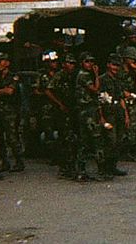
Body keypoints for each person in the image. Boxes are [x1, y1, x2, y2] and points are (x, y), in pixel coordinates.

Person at [45, 54, 79, 179]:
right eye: (68, 63)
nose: (70, 66)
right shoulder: (60, 75)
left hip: (73, 109)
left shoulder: (75, 75)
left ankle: (71, 166)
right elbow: (48, 90)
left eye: (72, 63)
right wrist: (59, 104)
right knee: (65, 139)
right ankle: (65, 167)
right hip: (62, 111)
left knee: (73, 139)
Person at [75, 51, 107, 182]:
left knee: (87, 142)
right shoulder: (84, 75)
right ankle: (98, 170)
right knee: (95, 139)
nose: (90, 64)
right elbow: (95, 89)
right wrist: (97, 75)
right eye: (87, 62)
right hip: (86, 111)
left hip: (89, 110)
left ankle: (83, 171)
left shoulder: (84, 74)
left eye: (91, 61)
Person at [0, 52, 24, 172]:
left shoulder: (13, 76)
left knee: (12, 137)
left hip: (10, 112)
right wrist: (0, 91)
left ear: (7, 63)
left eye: (1, 61)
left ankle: (19, 161)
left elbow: (10, 91)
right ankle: (4, 162)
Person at [99, 54, 129, 179]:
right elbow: (99, 100)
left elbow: (121, 98)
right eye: (113, 64)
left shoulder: (118, 80)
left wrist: (126, 115)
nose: (115, 67)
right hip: (108, 112)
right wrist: (101, 118)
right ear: (108, 65)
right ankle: (105, 167)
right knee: (110, 140)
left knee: (118, 141)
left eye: (117, 65)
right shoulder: (102, 80)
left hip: (118, 112)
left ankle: (113, 166)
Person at [120, 46, 136, 162]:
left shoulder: (133, 71)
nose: (132, 61)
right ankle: (127, 150)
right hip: (121, 101)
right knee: (125, 127)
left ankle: (131, 150)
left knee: (133, 127)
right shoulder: (119, 70)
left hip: (133, 101)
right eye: (130, 58)